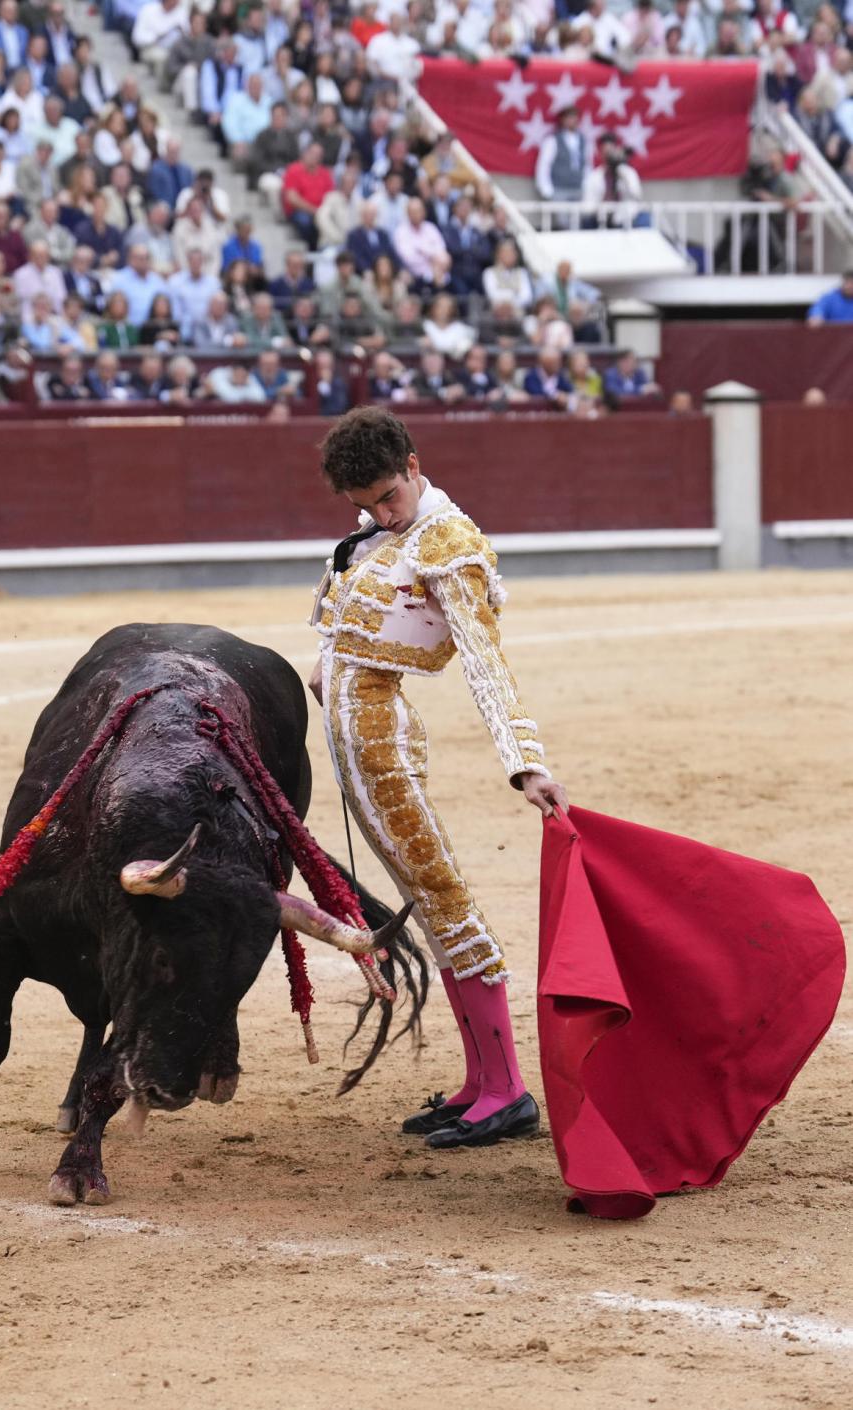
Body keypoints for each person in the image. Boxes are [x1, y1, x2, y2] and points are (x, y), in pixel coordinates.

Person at [308, 408, 567, 1148]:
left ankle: (510, 1091)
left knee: (446, 901)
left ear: (415, 467)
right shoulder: (381, 537)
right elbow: (337, 624)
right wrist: (327, 659)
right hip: (360, 748)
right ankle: (482, 1083)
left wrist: (527, 763)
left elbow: (485, 660)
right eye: (366, 504)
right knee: (427, 906)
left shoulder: (449, 543)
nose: (380, 513)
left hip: (384, 748)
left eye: (389, 496)